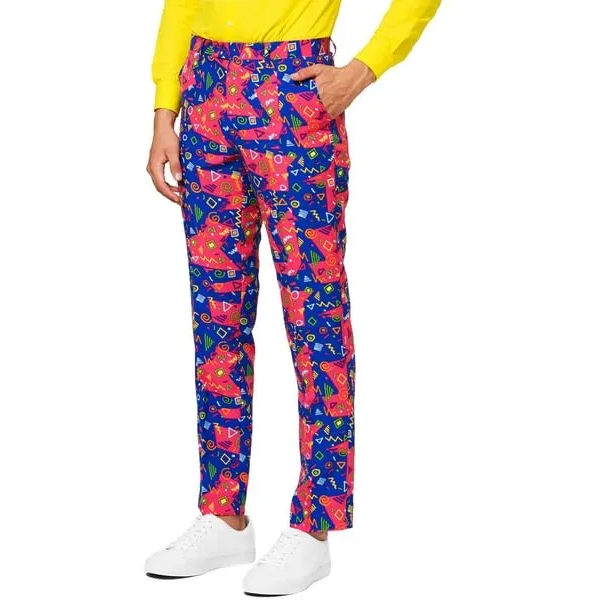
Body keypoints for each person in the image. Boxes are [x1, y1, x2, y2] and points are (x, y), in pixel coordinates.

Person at [145, 0, 441, 596]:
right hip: (204, 92)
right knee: (217, 318)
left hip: (292, 90)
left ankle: (314, 523)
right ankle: (223, 513)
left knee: (315, 318)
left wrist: (361, 71)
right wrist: (163, 110)